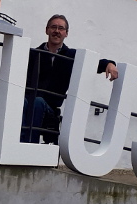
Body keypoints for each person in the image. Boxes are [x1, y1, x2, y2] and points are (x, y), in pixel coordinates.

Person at [23, 14, 118, 143]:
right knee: (21, 102)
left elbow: (93, 63)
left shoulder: (71, 56)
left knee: (38, 102)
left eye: (61, 28)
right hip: (28, 102)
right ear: (47, 30)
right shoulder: (34, 54)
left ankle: (28, 148)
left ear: (66, 33)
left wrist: (109, 64)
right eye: (53, 27)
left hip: (49, 108)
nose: (57, 31)